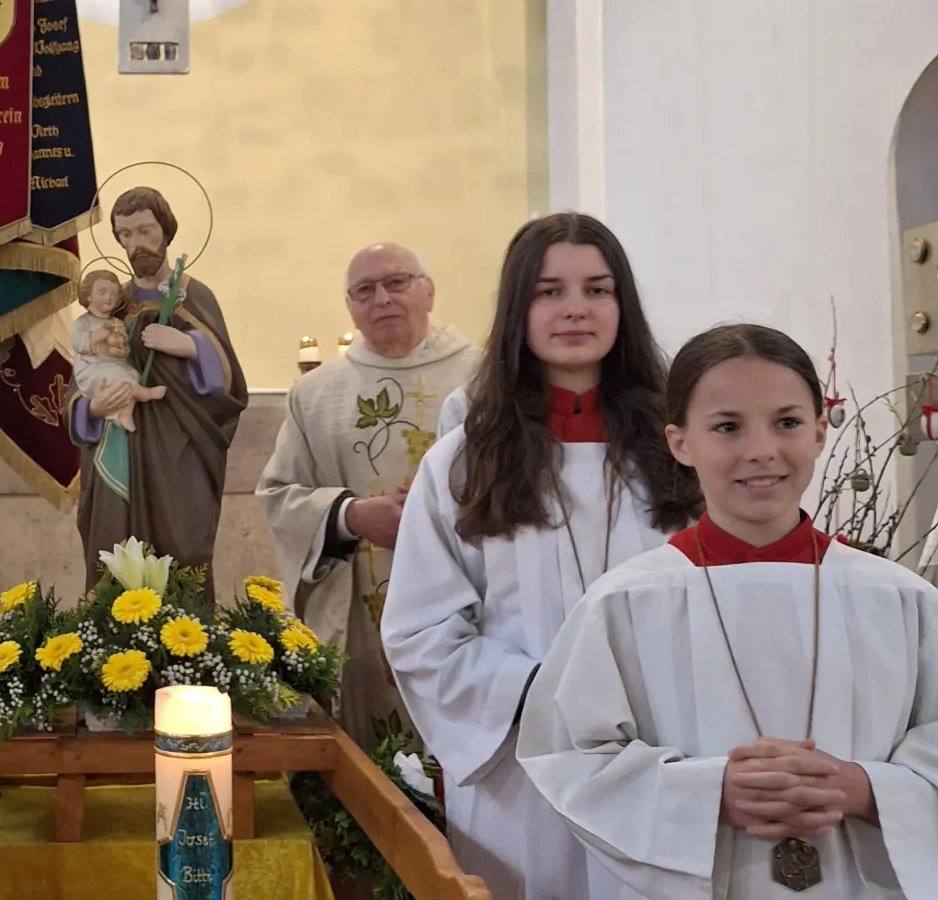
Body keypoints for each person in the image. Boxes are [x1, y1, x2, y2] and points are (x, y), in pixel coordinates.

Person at [517, 323, 938, 899]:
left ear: (819, 433)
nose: (760, 450)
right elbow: (568, 758)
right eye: (727, 427)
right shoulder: (625, 603)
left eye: (787, 422)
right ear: (680, 442)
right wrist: (709, 794)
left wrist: (865, 789)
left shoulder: (897, 598)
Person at [379, 212, 703, 900]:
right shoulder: (465, 465)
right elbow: (420, 630)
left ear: (624, 306)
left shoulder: (679, 453)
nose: (576, 309)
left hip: (662, 750)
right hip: (521, 762)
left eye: (598, 288)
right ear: (517, 309)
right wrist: (541, 693)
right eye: (549, 291)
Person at [256, 242, 479, 751]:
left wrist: (441, 510)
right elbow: (277, 494)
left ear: (428, 291)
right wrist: (351, 515)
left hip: (468, 605)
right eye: (364, 291)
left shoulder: (487, 379)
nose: (381, 299)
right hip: (359, 613)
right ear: (351, 307)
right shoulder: (316, 394)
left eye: (396, 282)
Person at [65, 186, 248, 598]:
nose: (136, 244)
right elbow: (81, 377)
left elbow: (231, 383)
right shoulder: (108, 305)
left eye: (145, 230)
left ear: (165, 231)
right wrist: (91, 408)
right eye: (125, 235)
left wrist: (189, 345)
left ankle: (187, 650)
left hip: (180, 456)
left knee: (182, 552)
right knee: (113, 559)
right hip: (119, 457)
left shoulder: (194, 296)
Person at [72, 268, 168, 432]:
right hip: (91, 370)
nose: (109, 297)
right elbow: (78, 343)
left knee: (131, 375)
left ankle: (124, 413)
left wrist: (120, 352)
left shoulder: (117, 323)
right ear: (88, 296)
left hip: (112, 365)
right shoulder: (83, 323)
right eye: (103, 292)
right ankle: (144, 394)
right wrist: (96, 336)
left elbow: (123, 346)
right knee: (119, 378)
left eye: (114, 294)